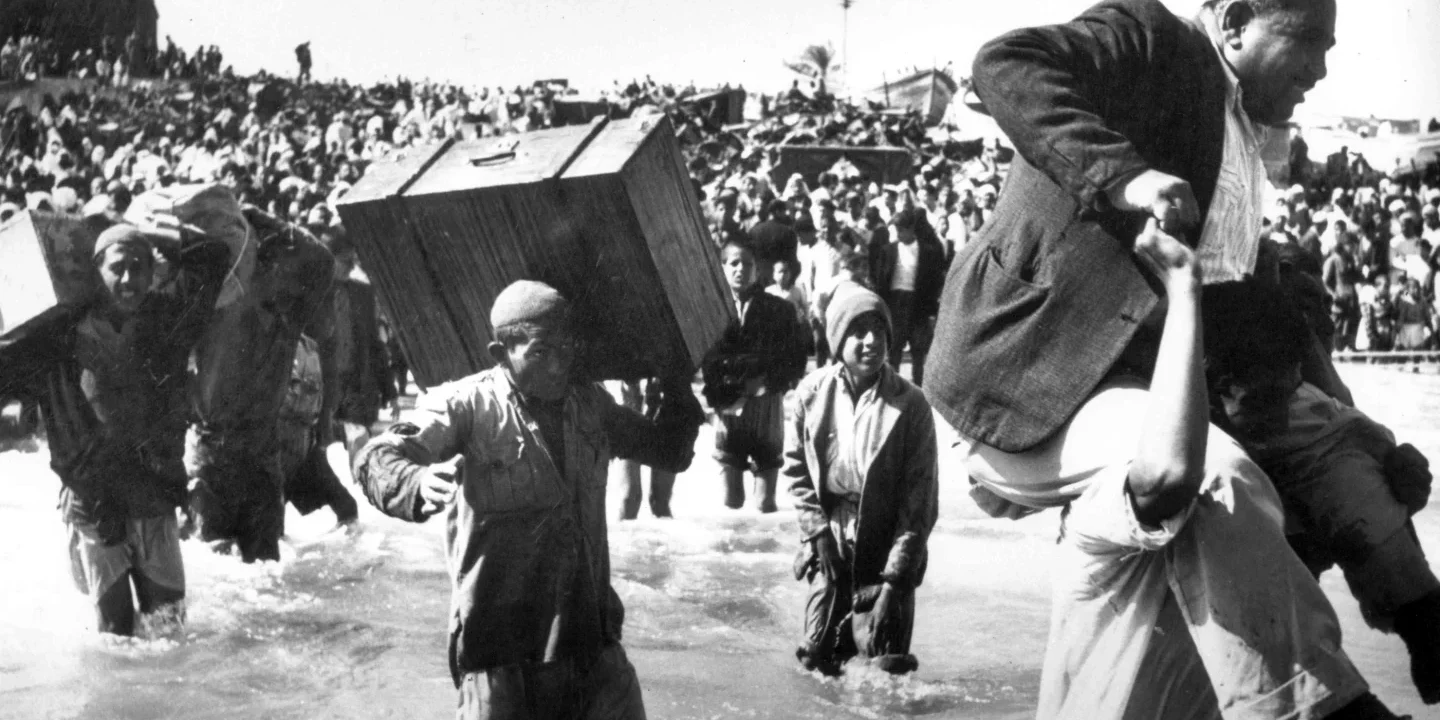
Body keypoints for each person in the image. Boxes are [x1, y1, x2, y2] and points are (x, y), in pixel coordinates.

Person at [925, 0, 1405, 716]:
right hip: (1027, 382)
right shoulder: (1151, 37)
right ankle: (1330, 710)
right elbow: (1007, 63)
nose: (1321, 69)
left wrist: (1354, 426)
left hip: (1143, 397)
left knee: (1347, 451)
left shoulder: (1241, 132)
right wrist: (1127, 177)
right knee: (1218, 476)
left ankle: (1421, 621)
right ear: (1236, 21)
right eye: (1307, 41)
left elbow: (1255, 305)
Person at [352, 280, 703, 720]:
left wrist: (676, 387)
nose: (558, 366)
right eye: (540, 353)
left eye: (566, 348)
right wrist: (417, 483)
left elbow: (668, 451)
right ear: (501, 353)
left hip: (591, 647)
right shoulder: (467, 404)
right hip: (501, 660)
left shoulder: (591, 406)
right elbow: (376, 456)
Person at [1204, 279, 1440, 703]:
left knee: (1352, 470)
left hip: (1300, 460)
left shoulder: (1309, 397)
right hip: (1229, 475)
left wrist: (1395, 471)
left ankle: (1422, 619)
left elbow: (1352, 428)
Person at [0, 223, 230, 635]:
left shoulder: (167, 323)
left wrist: (149, 231)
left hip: (152, 496)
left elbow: (213, 256)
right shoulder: (57, 335)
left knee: (171, 630)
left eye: (140, 267)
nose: (129, 279)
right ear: (96, 271)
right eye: (118, 267)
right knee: (116, 635)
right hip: (95, 505)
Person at [786, 287, 938, 677]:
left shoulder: (912, 405)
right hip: (831, 539)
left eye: (879, 331)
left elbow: (919, 507)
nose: (871, 341)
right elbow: (796, 471)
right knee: (818, 662)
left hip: (888, 546)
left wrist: (893, 585)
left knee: (883, 672)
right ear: (837, 340)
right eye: (858, 332)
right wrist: (818, 534)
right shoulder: (811, 394)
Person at [185, 208, 336, 563]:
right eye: (280, 272)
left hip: (262, 454)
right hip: (212, 454)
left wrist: (270, 221)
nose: (289, 284)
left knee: (266, 565)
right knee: (213, 560)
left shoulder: (289, 320)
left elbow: (323, 261)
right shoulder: (218, 306)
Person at [701, 240, 808, 513]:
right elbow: (705, 359)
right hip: (727, 404)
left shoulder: (779, 309)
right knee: (732, 501)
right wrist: (718, 392)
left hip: (766, 406)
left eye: (748, 264)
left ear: (758, 269)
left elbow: (796, 360)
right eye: (734, 263)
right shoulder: (709, 309)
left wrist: (770, 384)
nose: (741, 269)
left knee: (765, 503)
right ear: (722, 267)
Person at [277, 333, 358, 526]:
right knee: (271, 527)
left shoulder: (310, 346)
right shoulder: (269, 340)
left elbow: (322, 397)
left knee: (347, 507)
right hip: (275, 446)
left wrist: (323, 438)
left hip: (306, 445)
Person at [872, 208, 946, 386]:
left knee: (918, 352)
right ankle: (891, 386)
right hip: (895, 303)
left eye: (902, 230)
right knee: (893, 349)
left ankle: (919, 389)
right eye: (896, 230)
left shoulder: (927, 252)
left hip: (917, 304)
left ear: (912, 229)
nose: (898, 234)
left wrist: (931, 311)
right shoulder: (888, 251)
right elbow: (880, 281)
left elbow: (933, 283)